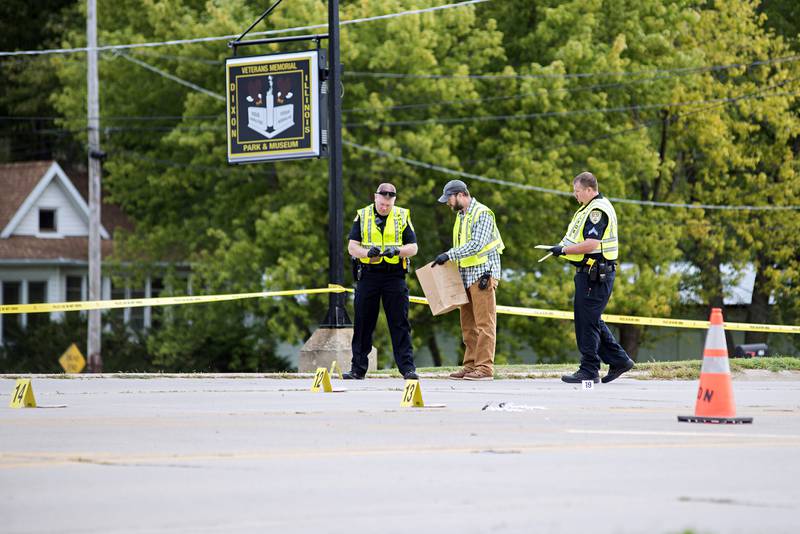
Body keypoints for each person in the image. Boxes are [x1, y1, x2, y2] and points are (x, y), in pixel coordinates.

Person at [548, 171, 635, 384]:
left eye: (577, 191)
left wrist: (564, 251)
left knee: (587, 322)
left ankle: (589, 369)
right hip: (590, 273)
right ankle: (619, 360)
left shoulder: (597, 210)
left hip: (596, 273)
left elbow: (591, 244)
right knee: (590, 319)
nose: (575, 195)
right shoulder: (588, 208)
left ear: (589, 189)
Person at [343, 183, 419, 380]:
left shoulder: (402, 215)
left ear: (394, 201)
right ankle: (357, 369)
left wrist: (398, 251)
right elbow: (352, 247)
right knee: (363, 322)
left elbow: (413, 248)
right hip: (369, 275)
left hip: (394, 275)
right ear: (375, 197)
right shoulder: (363, 215)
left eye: (389, 204)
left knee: (399, 323)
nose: (385, 207)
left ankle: (408, 369)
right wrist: (366, 253)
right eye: (382, 203)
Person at [433, 179, 504, 381]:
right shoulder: (462, 216)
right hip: (465, 276)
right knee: (468, 325)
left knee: (484, 324)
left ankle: (484, 367)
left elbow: (476, 245)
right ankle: (471, 365)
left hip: (482, 275)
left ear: (461, 195)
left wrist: (449, 255)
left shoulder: (483, 213)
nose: (448, 203)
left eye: (449, 199)